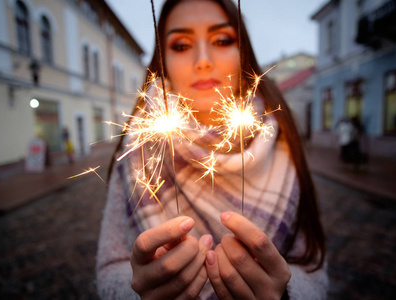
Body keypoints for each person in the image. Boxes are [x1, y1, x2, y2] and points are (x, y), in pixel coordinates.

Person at [96, 0, 328, 299]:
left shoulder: (282, 140)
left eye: (221, 40)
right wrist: (137, 291)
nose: (203, 60)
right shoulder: (137, 150)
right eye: (181, 45)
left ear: (242, 51)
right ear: (162, 60)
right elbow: (109, 267)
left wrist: (285, 293)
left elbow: (313, 265)